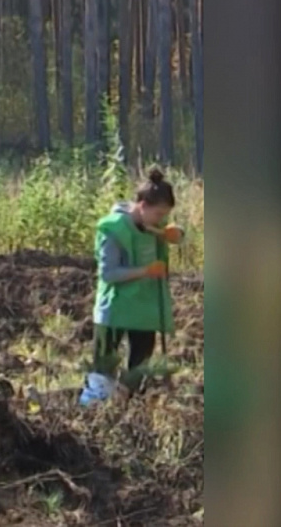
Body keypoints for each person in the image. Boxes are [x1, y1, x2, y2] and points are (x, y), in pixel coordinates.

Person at [79, 168, 185, 406]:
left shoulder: (156, 226)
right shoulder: (113, 229)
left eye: (164, 215)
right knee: (102, 373)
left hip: (145, 310)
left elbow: (178, 236)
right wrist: (146, 271)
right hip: (115, 309)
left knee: (139, 371)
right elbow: (109, 273)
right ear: (142, 205)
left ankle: (128, 413)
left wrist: (173, 234)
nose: (160, 219)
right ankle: (92, 418)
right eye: (158, 214)